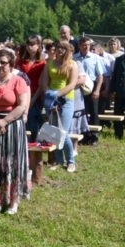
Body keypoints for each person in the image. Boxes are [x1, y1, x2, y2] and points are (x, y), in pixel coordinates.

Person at [0, 48, 30, 214]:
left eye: (4, 63)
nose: (0, 66)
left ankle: (13, 200)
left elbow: (22, 106)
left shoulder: (19, 81)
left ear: (11, 64)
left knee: (11, 161)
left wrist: (5, 121)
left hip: (13, 125)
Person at [38, 41, 79, 171]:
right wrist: (51, 96)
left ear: (67, 50)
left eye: (63, 48)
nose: (60, 50)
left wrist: (58, 96)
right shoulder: (49, 64)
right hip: (51, 98)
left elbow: (72, 84)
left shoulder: (73, 64)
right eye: (58, 47)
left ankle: (71, 161)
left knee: (63, 132)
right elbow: (44, 83)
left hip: (66, 100)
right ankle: (59, 160)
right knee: (54, 133)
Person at [74, 37, 104, 146]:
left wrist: (97, 90)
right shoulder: (74, 58)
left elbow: (100, 75)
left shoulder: (95, 58)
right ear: (79, 46)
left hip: (92, 87)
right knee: (82, 112)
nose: (86, 47)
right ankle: (84, 136)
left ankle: (94, 136)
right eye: (84, 45)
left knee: (94, 112)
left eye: (88, 45)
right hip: (78, 88)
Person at [17, 36, 46, 140]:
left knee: (34, 121)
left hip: (36, 95)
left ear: (38, 46)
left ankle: (35, 144)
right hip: (22, 94)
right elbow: (17, 79)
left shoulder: (42, 63)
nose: (29, 47)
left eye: (32, 45)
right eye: (28, 44)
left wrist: (33, 99)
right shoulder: (21, 62)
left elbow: (42, 83)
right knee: (26, 121)